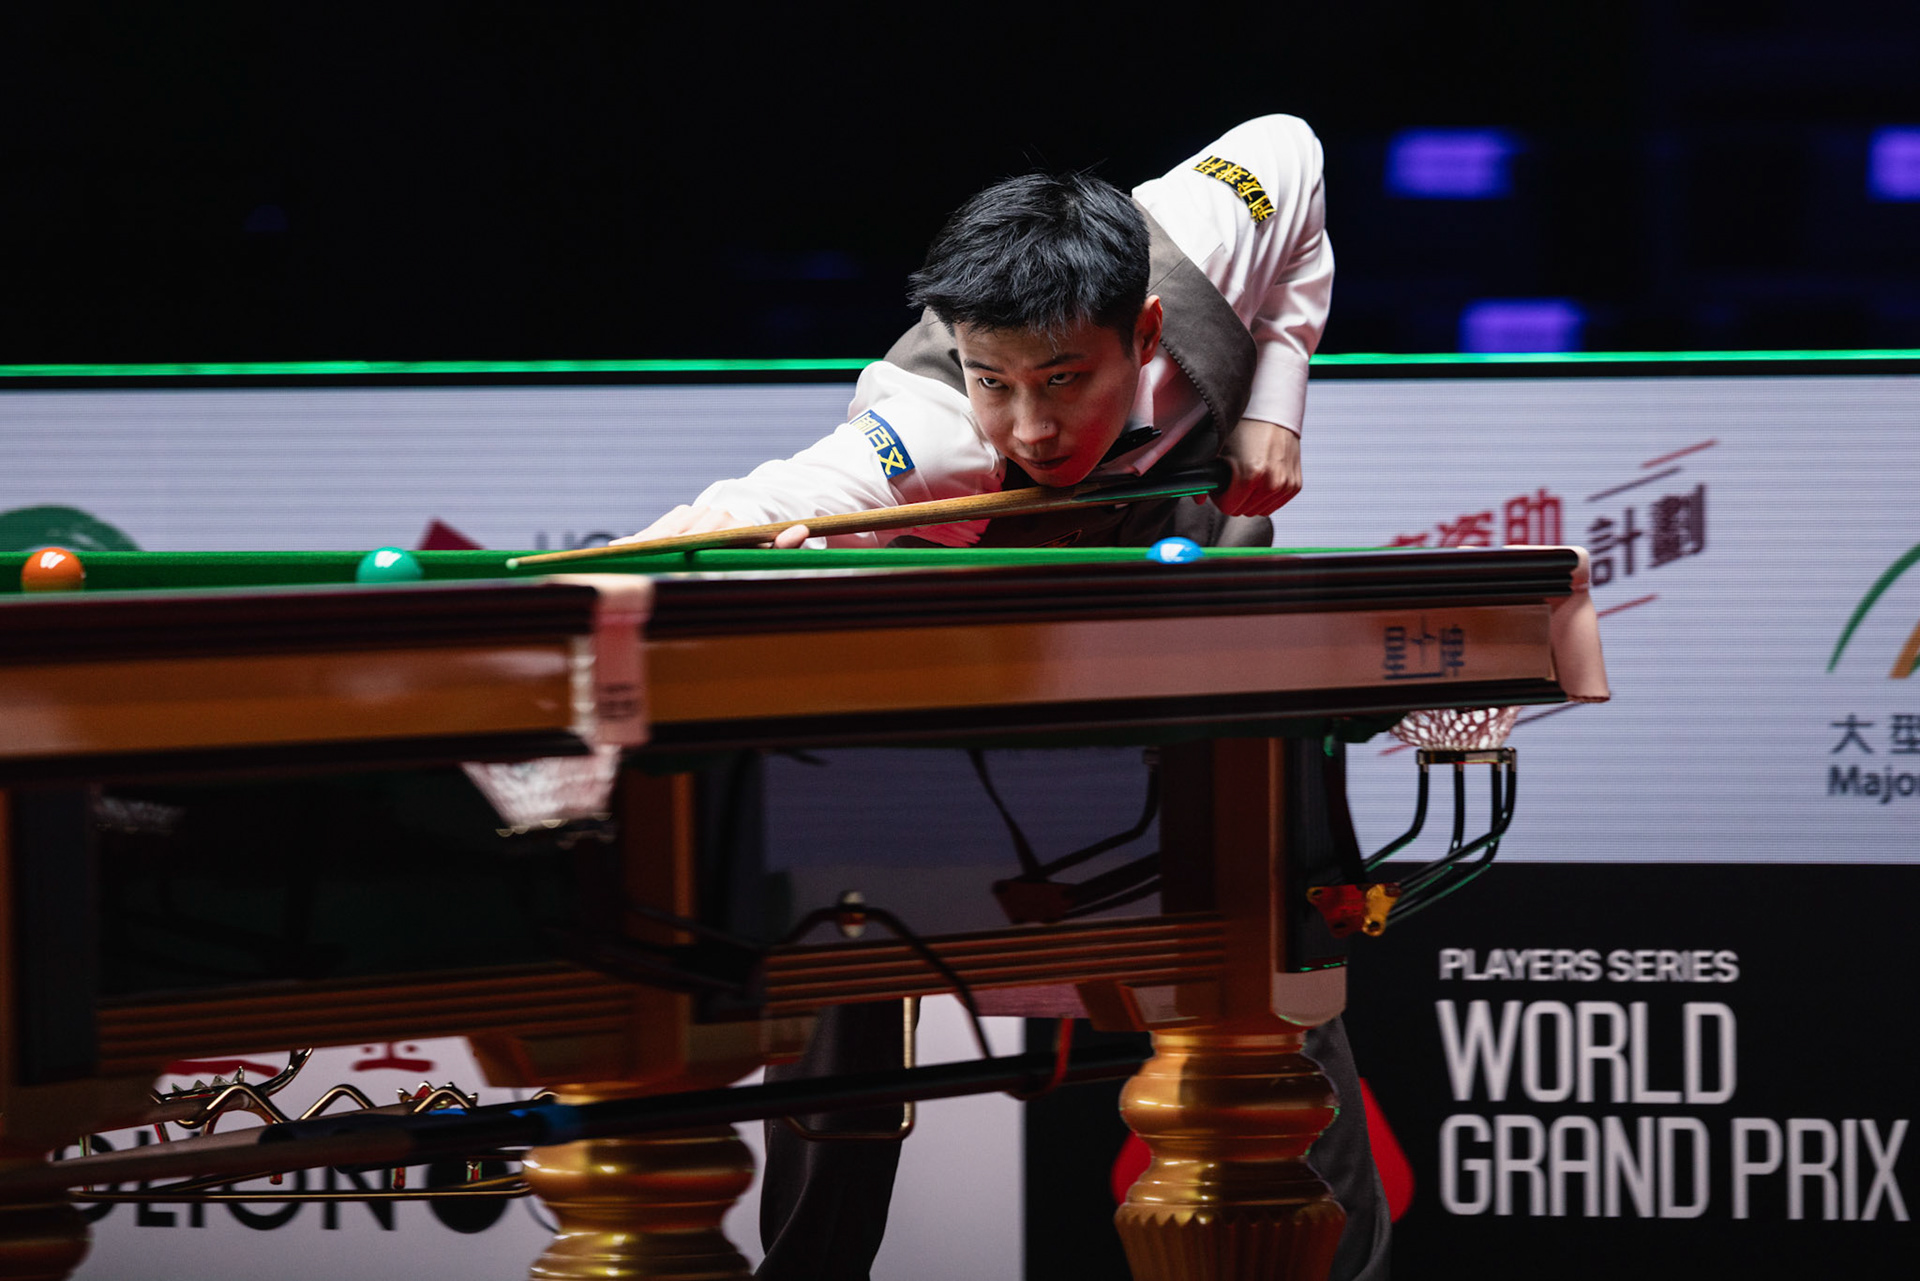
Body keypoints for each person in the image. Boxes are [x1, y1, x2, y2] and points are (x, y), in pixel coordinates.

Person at [620, 115, 1388, 1281]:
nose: (1030, 428)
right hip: (981, 652)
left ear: (1143, 331)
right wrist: (699, 545)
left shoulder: (1192, 241)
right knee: (845, 929)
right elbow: (761, 503)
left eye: (1065, 381)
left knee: (1265, 949)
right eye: (997, 383)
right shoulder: (924, 430)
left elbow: (1295, 152)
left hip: (1181, 614)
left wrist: (1277, 395)